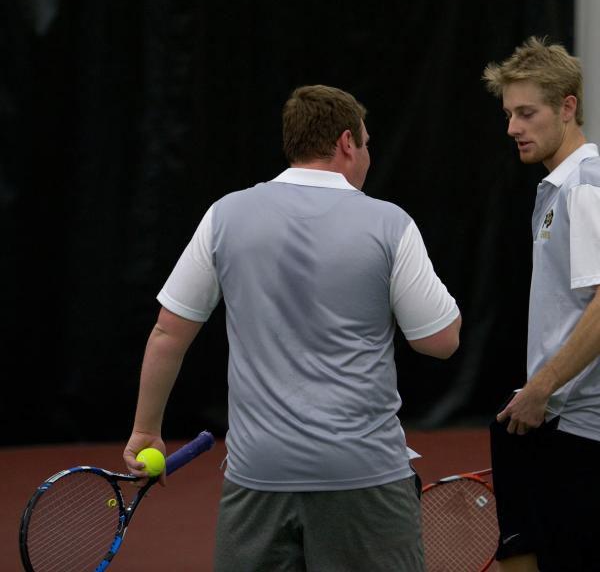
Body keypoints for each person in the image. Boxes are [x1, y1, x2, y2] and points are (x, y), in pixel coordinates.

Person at [123, 84, 461, 571]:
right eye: (366, 143)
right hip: (365, 475)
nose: (368, 155)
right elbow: (440, 341)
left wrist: (145, 432)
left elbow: (167, 333)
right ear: (347, 142)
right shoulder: (391, 223)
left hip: (258, 476)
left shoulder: (225, 215)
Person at [483, 37, 600, 572]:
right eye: (509, 113)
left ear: (568, 106)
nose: (512, 127)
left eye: (526, 112)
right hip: (555, 422)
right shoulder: (558, 188)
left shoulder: (585, 184)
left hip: (582, 431)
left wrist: (542, 387)